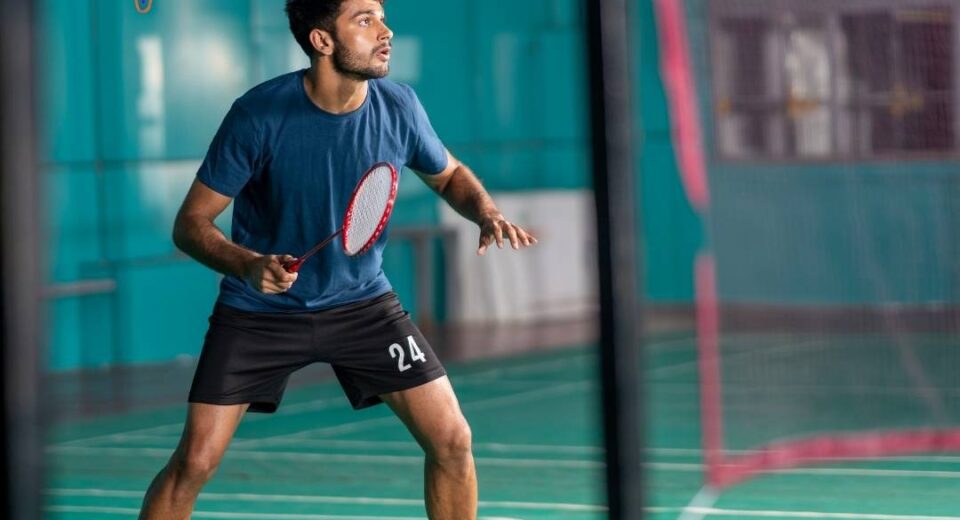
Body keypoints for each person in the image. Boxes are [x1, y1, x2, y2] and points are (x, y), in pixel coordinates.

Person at [137, 0, 536, 518]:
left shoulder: (399, 106)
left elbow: (449, 174)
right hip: (260, 315)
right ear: (322, 41)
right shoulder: (259, 115)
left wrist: (485, 212)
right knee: (195, 462)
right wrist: (248, 265)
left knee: (452, 440)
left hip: (363, 306)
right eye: (365, 20)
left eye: (382, 16)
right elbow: (190, 224)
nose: (386, 31)